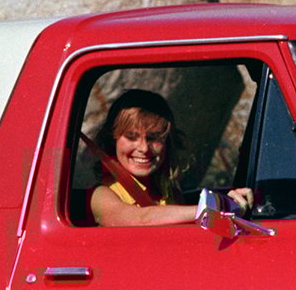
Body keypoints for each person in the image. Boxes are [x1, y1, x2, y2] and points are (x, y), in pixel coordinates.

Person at [89, 88, 252, 226]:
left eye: (154, 138)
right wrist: (212, 207)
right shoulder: (101, 194)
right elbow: (140, 219)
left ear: (168, 142)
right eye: (131, 137)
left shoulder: (168, 190)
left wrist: (232, 204)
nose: (144, 148)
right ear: (113, 141)